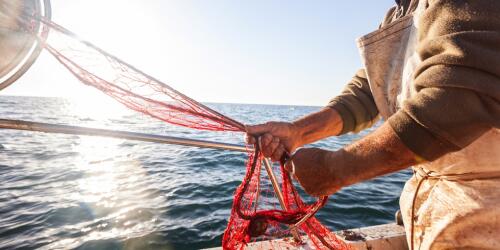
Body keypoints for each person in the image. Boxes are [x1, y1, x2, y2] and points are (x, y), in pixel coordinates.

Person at [246, 0, 500, 249]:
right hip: (433, 214)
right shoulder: (401, 12)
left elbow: (456, 100)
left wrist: (334, 169)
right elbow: (371, 91)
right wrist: (298, 132)